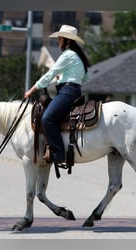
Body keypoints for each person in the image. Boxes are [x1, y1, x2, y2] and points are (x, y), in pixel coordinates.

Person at [24, 24, 90, 166]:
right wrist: (66, 77)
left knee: (47, 118)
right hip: (74, 90)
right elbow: (86, 78)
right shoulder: (78, 56)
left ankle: (58, 152)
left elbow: (50, 74)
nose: (58, 40)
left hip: (67, 92)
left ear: (66, 40)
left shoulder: (67, 55)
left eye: (59, 38)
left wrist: (32, 90)